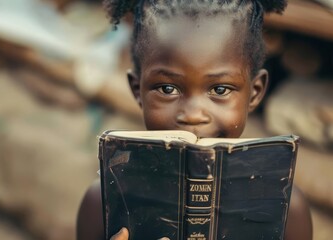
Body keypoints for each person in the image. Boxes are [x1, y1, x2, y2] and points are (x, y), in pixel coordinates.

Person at [77, 0, 313, 239]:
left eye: (220, 90)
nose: (192, 115)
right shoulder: (102, 205)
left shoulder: (286, 209)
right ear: (138, 91)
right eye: (167, 89)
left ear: (254, 92)